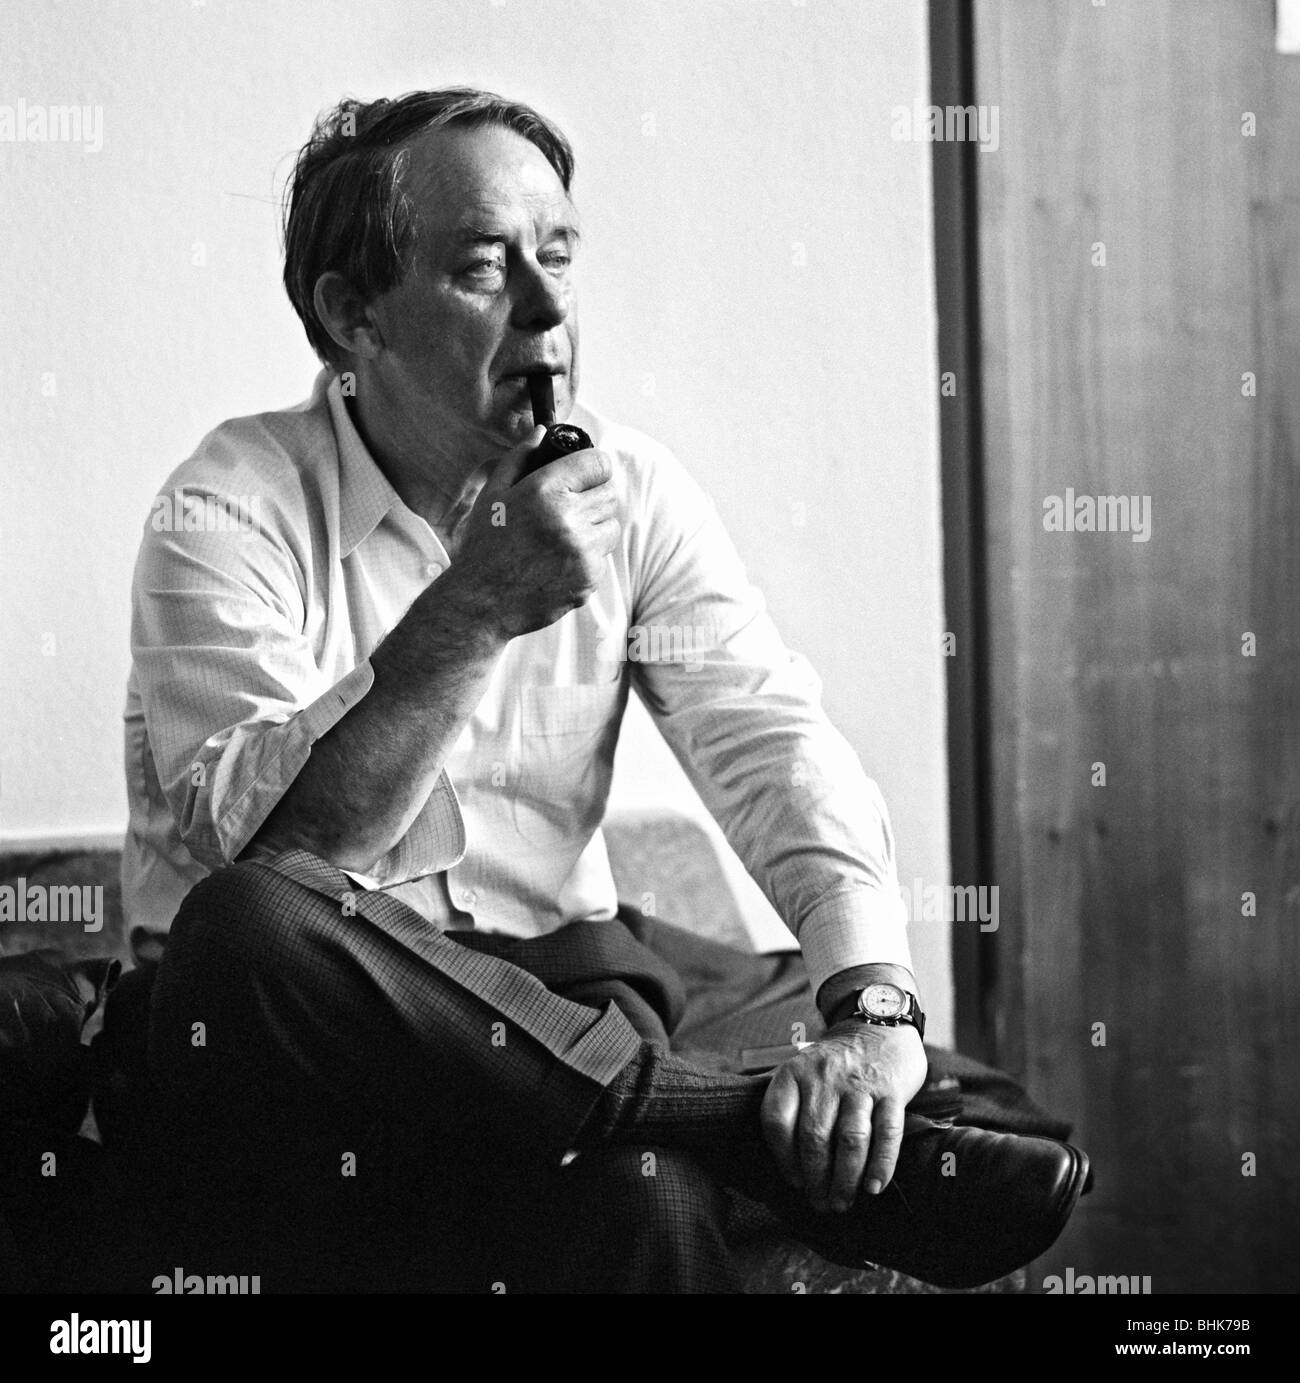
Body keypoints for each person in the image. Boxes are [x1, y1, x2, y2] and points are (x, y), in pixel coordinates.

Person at [123, 87, 1087, 1293]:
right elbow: (288, 853)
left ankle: (672, 1110)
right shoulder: (224, 506)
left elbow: (772, 743)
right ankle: (714, 1113)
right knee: (248, 919)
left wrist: (874, 1013)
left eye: (561, 254)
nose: (549, 306)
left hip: (562, 1003)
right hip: (320, 1044)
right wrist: (477, 606)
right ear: (351, 314)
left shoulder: (630, 488)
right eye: (485, 267)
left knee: (889, 1131)